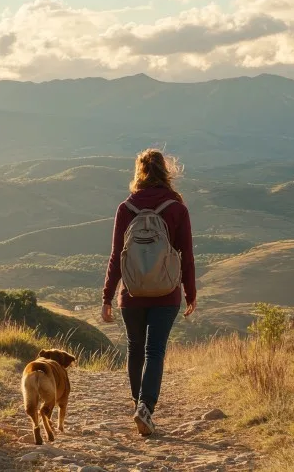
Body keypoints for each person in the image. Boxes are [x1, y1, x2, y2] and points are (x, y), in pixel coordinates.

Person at [101, 148, 196, 437]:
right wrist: (190, 293)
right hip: (166, 293)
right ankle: (146, 407)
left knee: (135, 348)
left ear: (139, 172)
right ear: (166, 172)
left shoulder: (126, 207)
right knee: (155, 351)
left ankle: (137, 404)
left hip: (131, 293)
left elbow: (117, 256)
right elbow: (186, 255)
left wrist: (107, 296)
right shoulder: (177, 208)